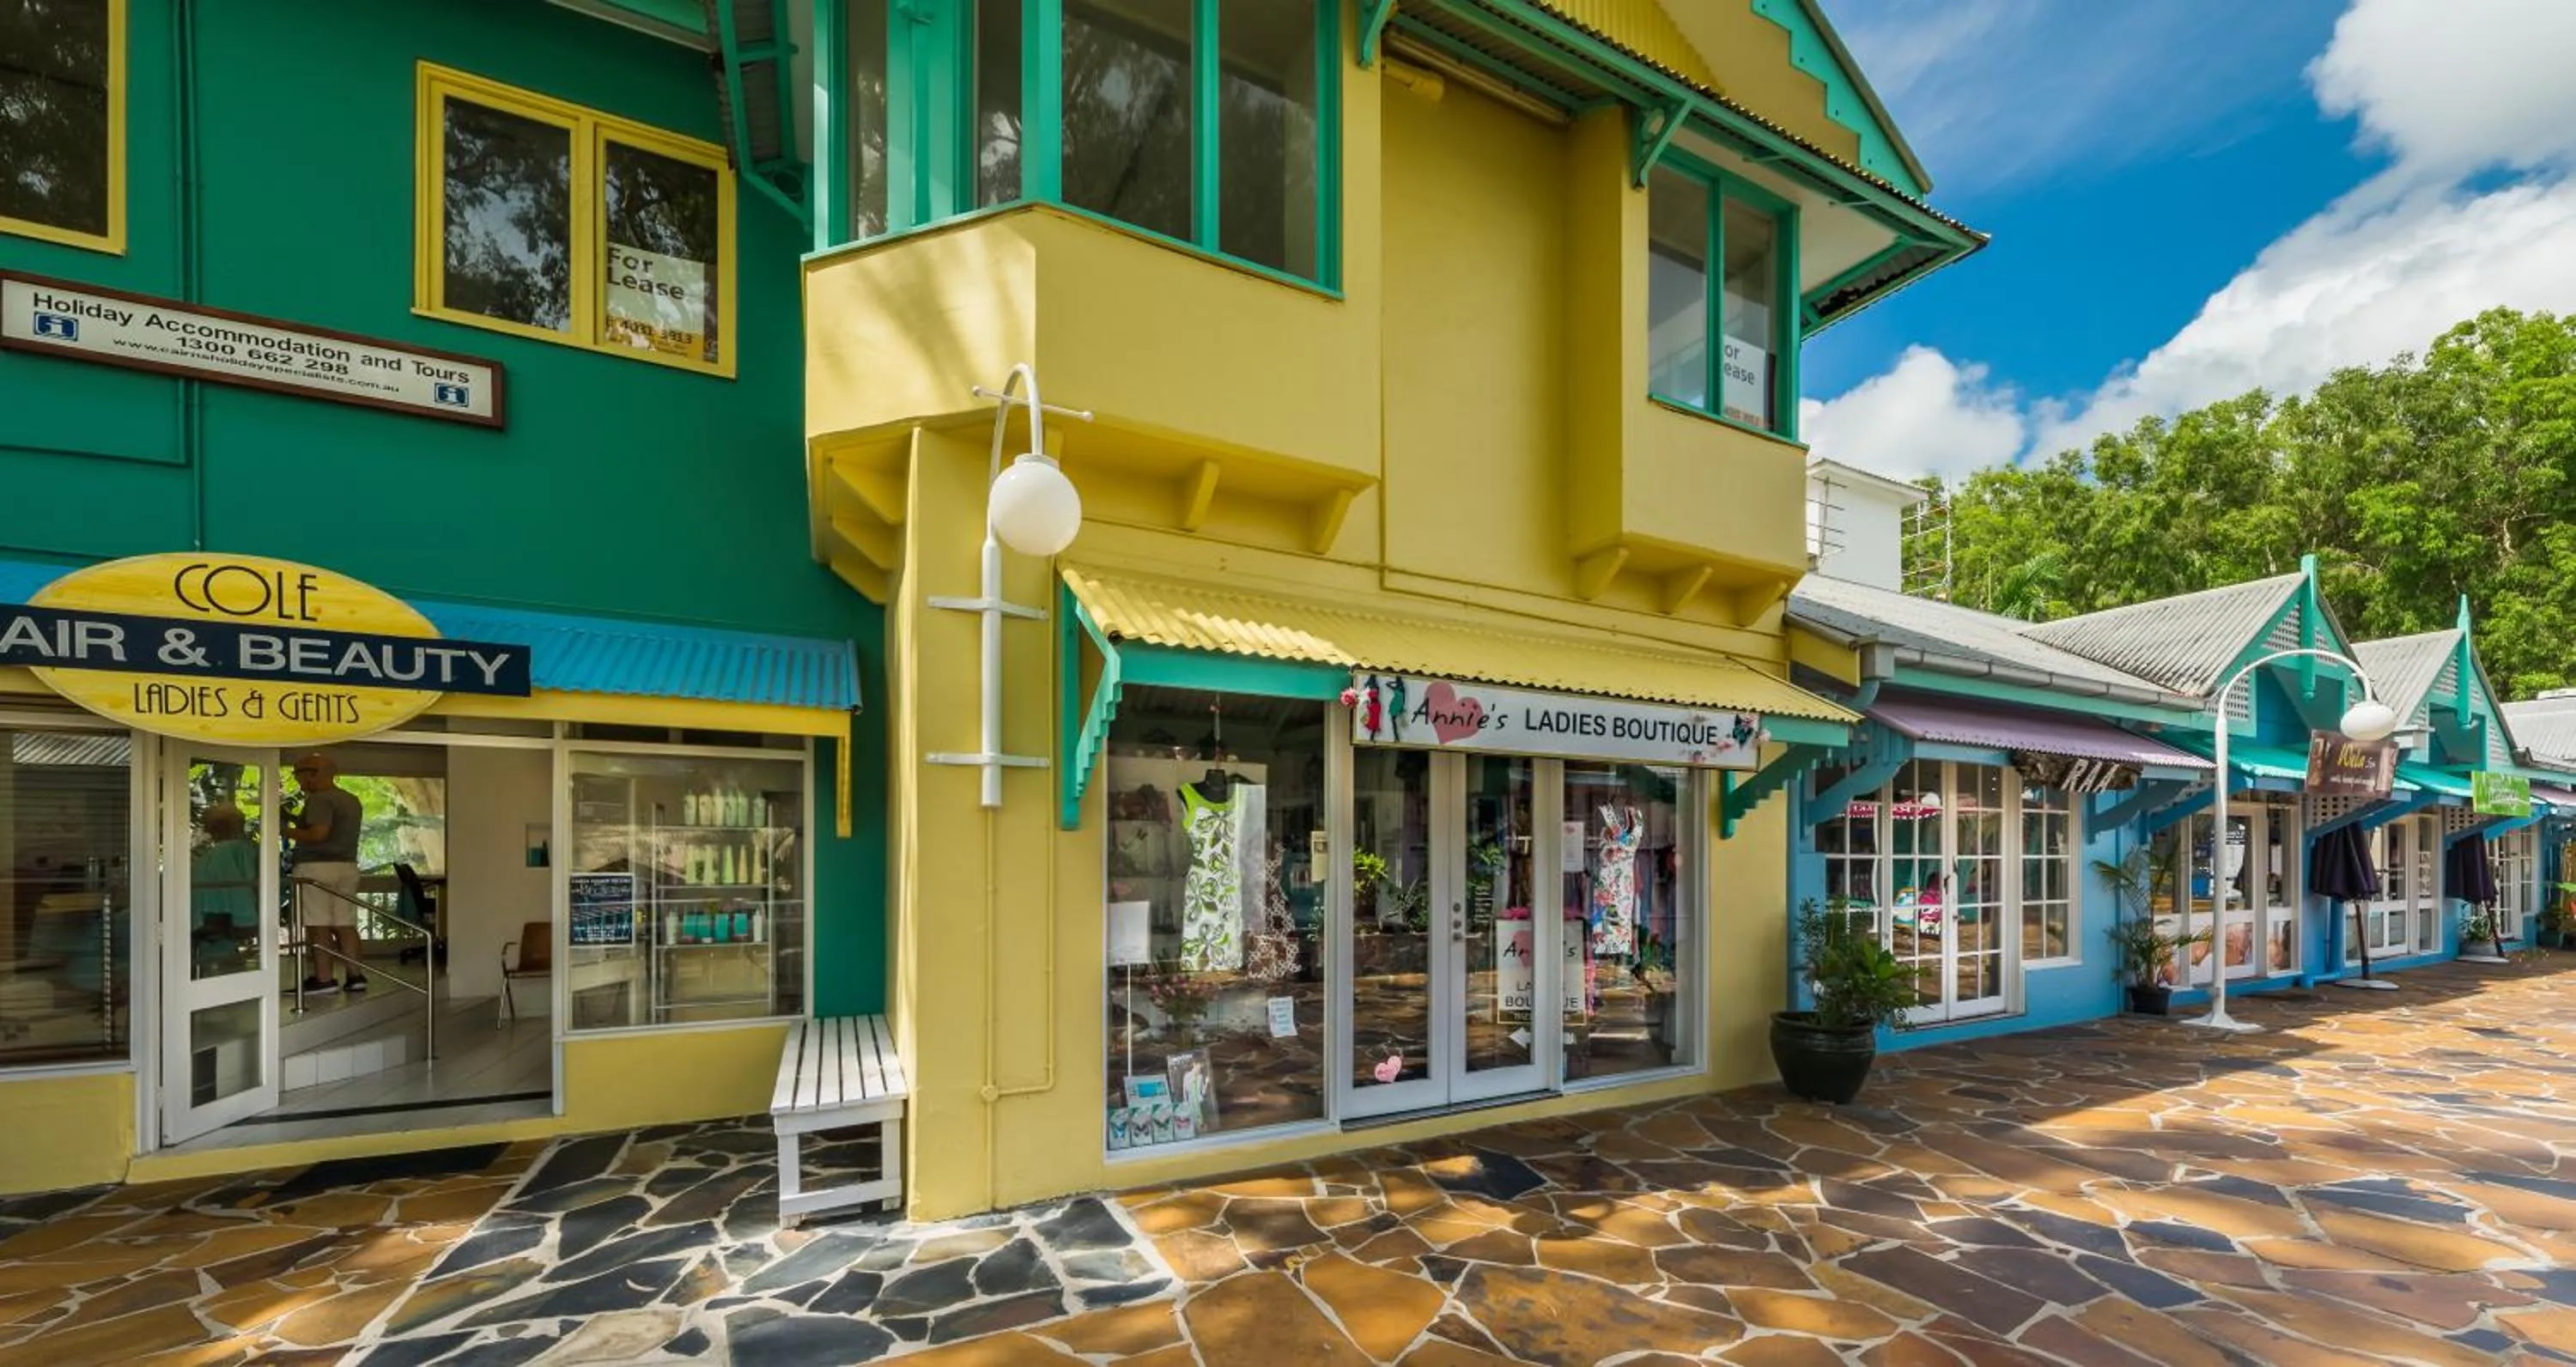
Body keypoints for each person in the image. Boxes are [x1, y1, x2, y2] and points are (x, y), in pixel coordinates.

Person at [286, 754, 367, 993]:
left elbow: (318, 834)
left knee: (317, 923)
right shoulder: (351, 800)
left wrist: (283, 830)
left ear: (313, 774)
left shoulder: (319, 800)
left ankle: (323, 980)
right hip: (348, 867)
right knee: (345, 923)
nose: (298, 781)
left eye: (298, 774)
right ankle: (356, 977)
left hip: (316, 868)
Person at [190, 803, 260, 976]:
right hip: (234, 915)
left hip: (202, 914)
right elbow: (255, 878)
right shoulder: (240, 849)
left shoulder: (208, 854)